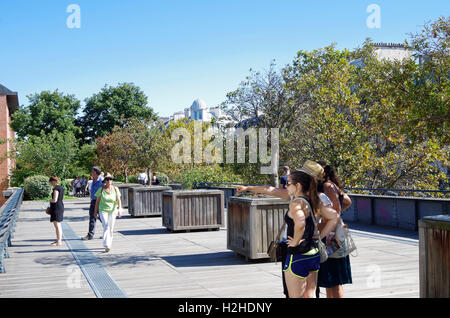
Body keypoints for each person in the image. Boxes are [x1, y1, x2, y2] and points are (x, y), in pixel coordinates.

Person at [234, 163, 338, 298]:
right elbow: (334, 216)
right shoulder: (317, 198)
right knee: (311, 293)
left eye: (289, 183)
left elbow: (271, 191)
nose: (287, 185)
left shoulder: (296, 200)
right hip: (312, 250)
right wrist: (319, 235)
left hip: (295, 249)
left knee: (294, 293)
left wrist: (295, 240)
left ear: (300, 183)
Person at [316, 161, 353, 298]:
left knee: (334, 278)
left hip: (332, 235)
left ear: (323, 173)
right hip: (333, 231)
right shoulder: (331, 185)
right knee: (329, 278)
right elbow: (347, 200)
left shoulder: (327, 186)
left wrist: (331, 230)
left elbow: (336, 209)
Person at [94, 173, 122, 253]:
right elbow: (97, 201)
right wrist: (95, 212)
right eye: (107, 179)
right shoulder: (101, 189)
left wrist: (119, 209)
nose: (109, 181)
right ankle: (106, 244)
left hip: (113, 210)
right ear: (105, 181)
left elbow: (118, 200)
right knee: (106, 226)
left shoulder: (115, 189)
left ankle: (109, 244)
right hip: (103, 210)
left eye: (110, 179)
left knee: (111, 227)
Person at [82, 167, 104, 241]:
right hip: (93, 201)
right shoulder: (93, 180)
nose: (91, 173)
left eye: (92, 172)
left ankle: (107, 232)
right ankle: (90, 235)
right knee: (92, 217)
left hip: (100, 201)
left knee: (102, 218)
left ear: (96, 172)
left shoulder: (102, 180)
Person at [49, 176, 64, 246]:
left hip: (56, 207)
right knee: (58, 224)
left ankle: (58, 241)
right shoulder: (61, 187)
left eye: (51, 183)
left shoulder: (56, 189)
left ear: (53, 181)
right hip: (60, 205)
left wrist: (49, 200)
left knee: (57, 225)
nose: (51, 184)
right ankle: (58, 240)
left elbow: (55, 199)